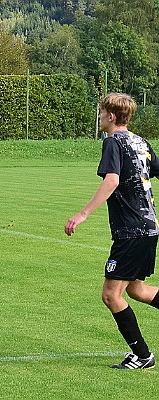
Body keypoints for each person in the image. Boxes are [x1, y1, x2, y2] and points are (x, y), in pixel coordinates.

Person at [65, 93, 159, 369]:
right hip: (149, 227)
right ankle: (142, 355)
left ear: (112, 116)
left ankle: (143, 356)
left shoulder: (113, 142)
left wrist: (83, 213)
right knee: (138, 290)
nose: (99, 117)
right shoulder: (140, 142)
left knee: (111, 295)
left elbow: (113, 180)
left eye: (101, 112)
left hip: (132, 231)